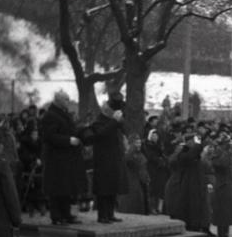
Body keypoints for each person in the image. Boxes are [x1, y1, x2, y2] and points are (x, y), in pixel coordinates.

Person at [40, 91, 83, 225]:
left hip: (66, 157)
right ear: (58, 100)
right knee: (56, 188)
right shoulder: (50, 116)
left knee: (66, 188)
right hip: (56, 158)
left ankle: (66, 214)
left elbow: (69, 130)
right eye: (66, 99)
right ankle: (56, 216)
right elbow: (49, 136)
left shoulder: (63, 113)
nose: (68, 102)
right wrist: (69, 140)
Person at [91, 92, 128, 223]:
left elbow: (124, 129)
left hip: (115, 157)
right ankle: (102, 215)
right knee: (103, 189)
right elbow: (100, 134)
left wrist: (119, 121)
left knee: (113, 187)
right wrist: (114, 121)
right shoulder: (99, 120)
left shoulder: (116, 119)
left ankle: (110, 213)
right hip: (103, 159)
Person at [208, 131, 232, 237]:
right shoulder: (218, 152)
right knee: (222, 212)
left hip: (229, 183)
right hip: (221, 185)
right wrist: (227, 152)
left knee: (229, 212)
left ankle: (225, 236)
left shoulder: (228, 152)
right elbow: (222, 164)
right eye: (226, 143)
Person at [118, 134, 150, 215]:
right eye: (136, 143)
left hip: (141, 181)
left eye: (140, 143)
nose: (139, 145)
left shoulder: (141, 153)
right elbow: (127, 160)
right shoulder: (129, 154)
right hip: (132, 181)